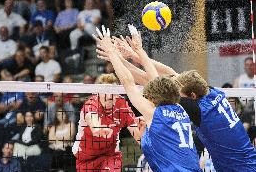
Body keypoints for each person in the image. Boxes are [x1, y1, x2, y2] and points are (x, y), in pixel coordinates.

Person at [97, 25, 256, 171]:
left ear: (192, 96)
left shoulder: (199, 110)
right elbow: (168, 75)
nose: (177, 92)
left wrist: (116, 55)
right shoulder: (211, 92)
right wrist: (135, 54)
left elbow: (145, 82)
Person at [93, 28, 201, 171]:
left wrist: (112, 53)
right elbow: (154, 79)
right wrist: (132, 54)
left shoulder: (154, 113)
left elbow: (127, 82)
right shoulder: (180, 109)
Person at [73, 73, 145, 172]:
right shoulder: (91, 104)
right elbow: (91, 117)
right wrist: (98, 129)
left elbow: (137, 134)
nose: (109, 95)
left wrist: (149, 147)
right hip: (86, 156)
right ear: (98, 93)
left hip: (110, 155)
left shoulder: (122, 105)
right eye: (105, 92)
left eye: (113, 92)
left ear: (117, 93)